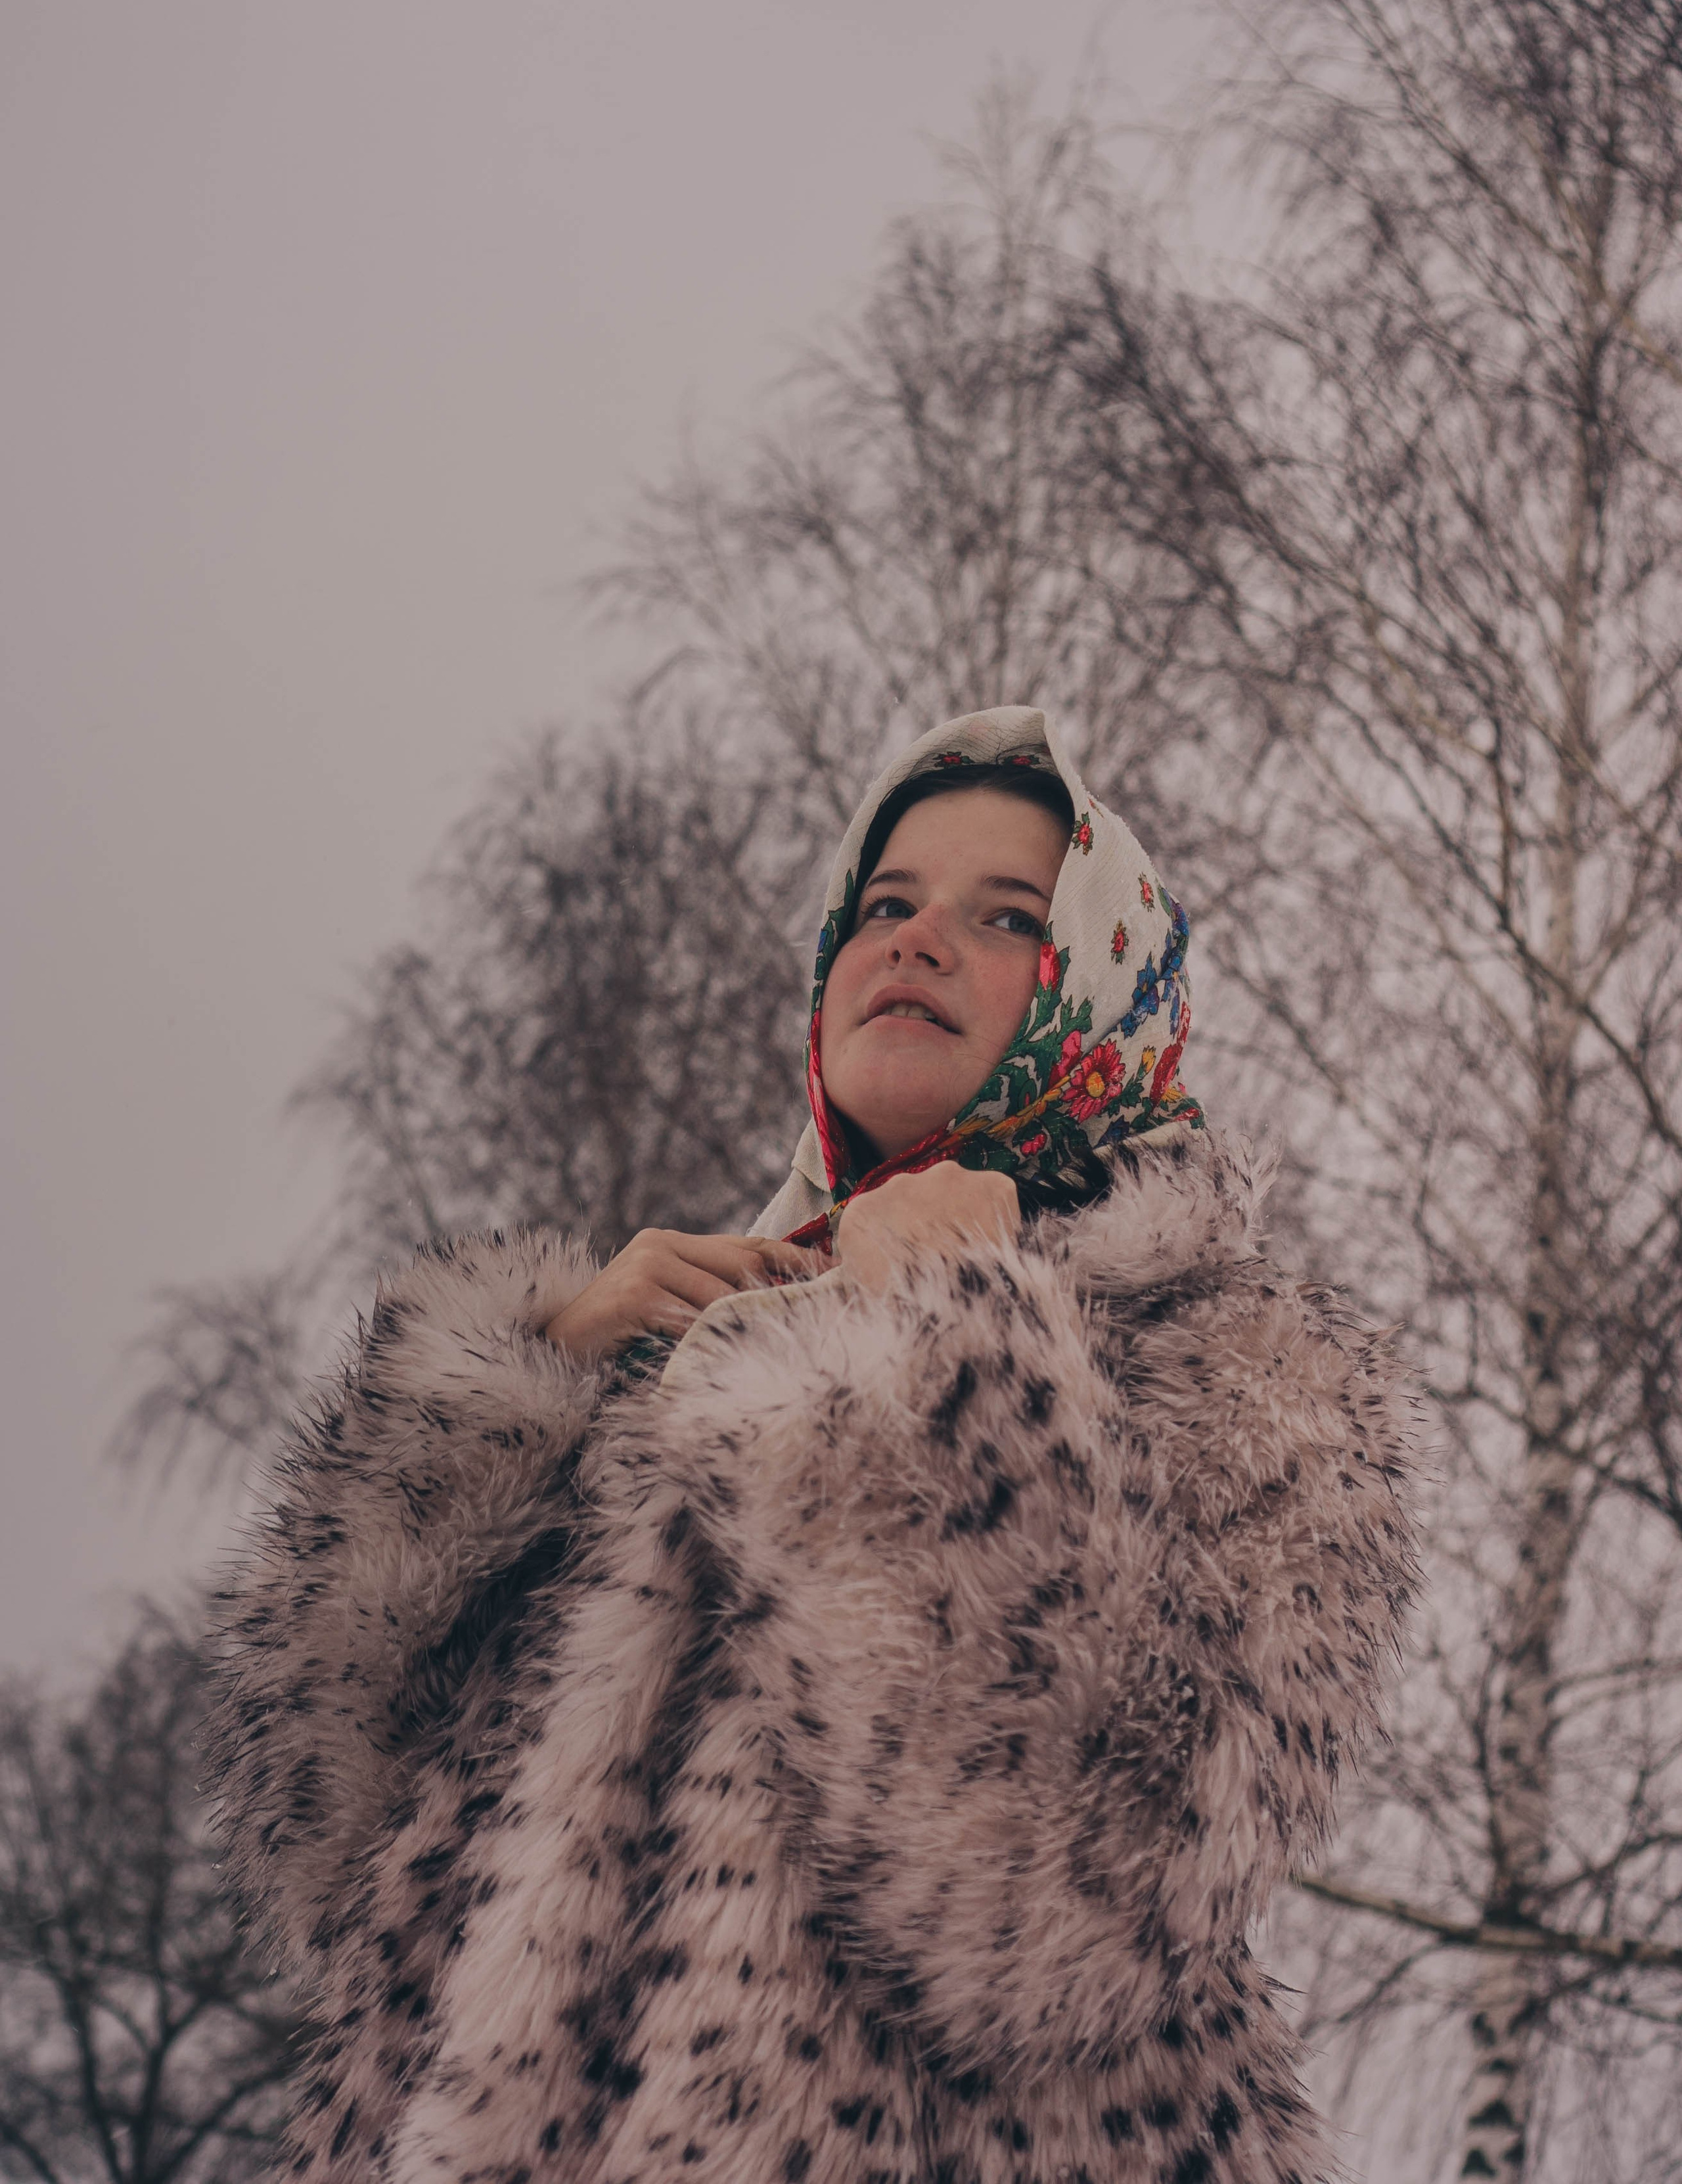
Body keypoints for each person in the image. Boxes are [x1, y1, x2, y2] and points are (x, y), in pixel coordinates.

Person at [208, 705, 1419, 2184]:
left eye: (1006, 917)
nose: (911, 942)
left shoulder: (1250, 1374)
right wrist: (509, 1408)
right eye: (885, 904)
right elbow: (327, 1862)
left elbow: (1055, 1923)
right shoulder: (684, 1364)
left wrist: (952, 1344)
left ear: (1098, 993)